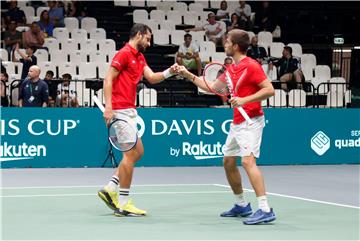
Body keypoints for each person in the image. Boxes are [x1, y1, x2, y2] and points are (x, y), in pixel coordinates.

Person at [177, 29, 276, 225]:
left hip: (251, 121)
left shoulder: (251, 65)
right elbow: (213, 87)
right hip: (238, 122)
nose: (225, 44)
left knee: (248, 162)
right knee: (229, 162)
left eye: (228, 41)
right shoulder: (232, 69)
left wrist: (244, 100)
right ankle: (241, 205)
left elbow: (269, 90)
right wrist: (188, 74)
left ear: (236, 46)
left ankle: (265, 209)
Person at [98, 23, 179, 217]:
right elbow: (108, 79)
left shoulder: (140, 57)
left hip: (130, 110)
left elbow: (152, 77)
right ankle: (124, 202)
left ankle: (110, 188)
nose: (149, 43)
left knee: (137, 152)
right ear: (139, 35)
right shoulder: (124, 53)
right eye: (148, 39)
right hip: (119, 110)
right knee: (130, 155)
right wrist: (108, 107)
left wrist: (170, 71)